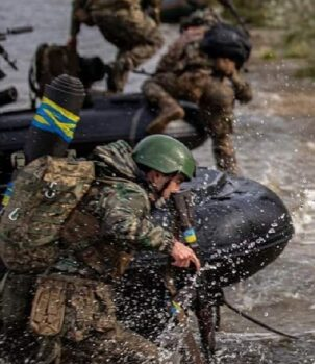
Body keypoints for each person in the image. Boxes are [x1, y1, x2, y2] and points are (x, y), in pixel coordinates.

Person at [0, 135, 200, 363]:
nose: (175, 190)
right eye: (177, 181)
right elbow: (121, 224)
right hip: (70, 300)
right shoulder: (129, 192)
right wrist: (171, 245)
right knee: (147, 358)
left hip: (31, 289)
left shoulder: (97, 181)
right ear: (157, 175)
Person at [68, 0, 216, 93]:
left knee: (128, 46)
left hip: (101, 19)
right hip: (126, 12)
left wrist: (73, 36)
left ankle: (114, 90)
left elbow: (77, 2)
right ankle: (120, 67)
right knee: (155, 40)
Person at [142, 21, 252, 174]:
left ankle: (169, 106)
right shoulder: (226, 47)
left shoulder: (187, 38)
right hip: (219, 91)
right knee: (222, 139)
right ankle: (232, 177)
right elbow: (245, 94)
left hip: (190, 83)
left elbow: (163, 67)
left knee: (150, 83)